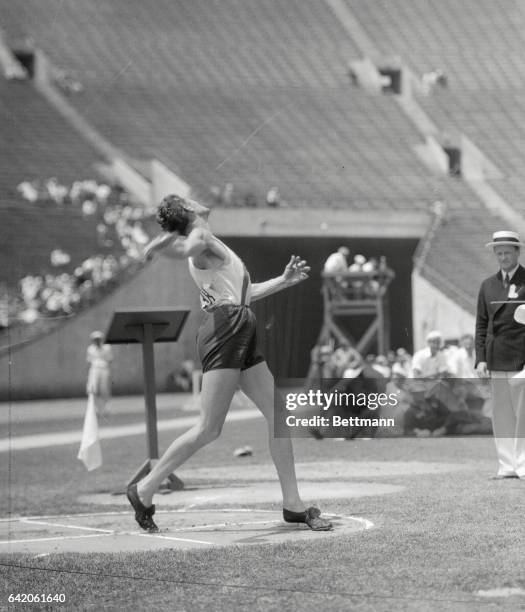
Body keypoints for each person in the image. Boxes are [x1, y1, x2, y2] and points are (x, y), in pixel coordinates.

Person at [126, 194, 332, 531]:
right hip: (227, 328)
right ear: (189, 211)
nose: (199, 199)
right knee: (209, 427)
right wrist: (167, 243)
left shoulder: (209, 241)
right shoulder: (202, 237)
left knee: (278, 415)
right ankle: (145, 489)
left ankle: (293, 504)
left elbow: (242, 295)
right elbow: (188, 248)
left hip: (237, 322)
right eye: (190, 199)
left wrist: (283, 280)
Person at [475, 230, 525, 479]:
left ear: (518, 252)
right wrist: (481, 358)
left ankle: (523, 464)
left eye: (508, 252)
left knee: (523, 413)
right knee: (502, 413)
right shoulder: (488, 285)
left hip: (521, 357)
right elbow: (481, 325)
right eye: (499, 253)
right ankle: (507, 465)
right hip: (495, 357)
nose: (503, 257)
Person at [86, 331, 113, 416]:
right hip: (94, 370)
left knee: (104, 390)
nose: (97, 341)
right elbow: (89, 361)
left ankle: (106, 409)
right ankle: (95, 409)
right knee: (93, 389)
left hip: (104, 369)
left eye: (98, 339)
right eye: (95, 339)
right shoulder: (90, 349)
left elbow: (110, 359)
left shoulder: (107, 347)